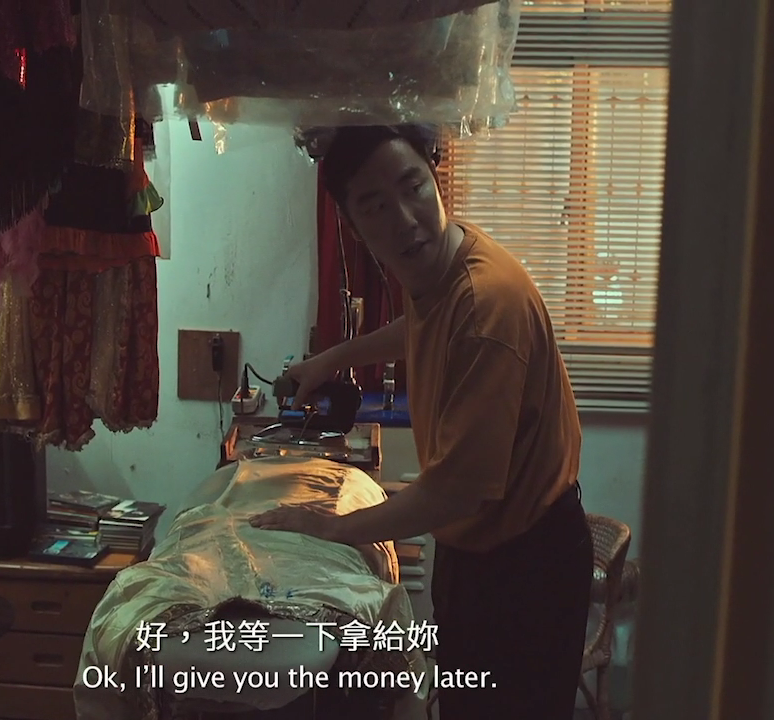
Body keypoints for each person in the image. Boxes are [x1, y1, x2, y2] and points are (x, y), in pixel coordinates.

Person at [249, 124, 593, 719]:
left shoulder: (487, 306)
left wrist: (331, 527)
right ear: (354, 227)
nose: (405, 220)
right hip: (478, 551)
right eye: (376, 207)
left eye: (413, 188)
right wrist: (332, 359)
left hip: (526, 568)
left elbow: (456, 492)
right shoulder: (442, 266)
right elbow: (422, 324)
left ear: (436, 178)